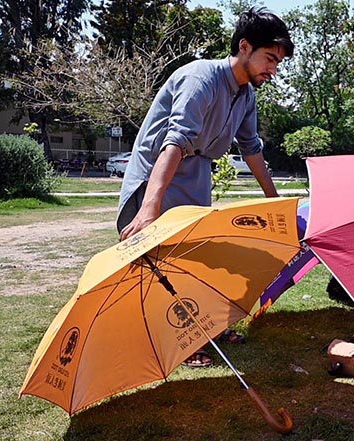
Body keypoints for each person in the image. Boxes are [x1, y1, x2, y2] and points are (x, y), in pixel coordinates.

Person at [116, 7, 294, 367]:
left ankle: (211, 328)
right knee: (164, 266)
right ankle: (183, 343)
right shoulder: (201, 78)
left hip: (196, 177)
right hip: (158, 177)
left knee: (204, 260)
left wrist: (275, 202)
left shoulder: (246, 96)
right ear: (244, 47)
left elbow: (252, 149)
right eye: (269, 59)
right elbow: (175, 142)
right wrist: (151, 207)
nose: (273, 69)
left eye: (278, 62)